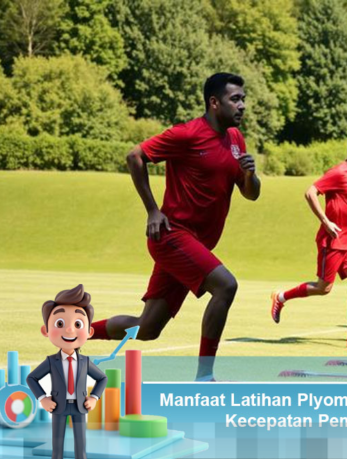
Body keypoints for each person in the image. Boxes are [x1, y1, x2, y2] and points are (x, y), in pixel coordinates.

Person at [89, 73, 261, 381]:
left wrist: (250, 175)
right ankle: (204, 378)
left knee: (147, 328)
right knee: (226, 285)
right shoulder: (187, 134)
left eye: (243, 99)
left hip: (195, 245)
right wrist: (152, 210)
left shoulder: (235, 139)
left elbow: (251, 194)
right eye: (235, 99)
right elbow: (135, 156)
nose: (242, 105)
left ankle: (77, 333)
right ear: (214, 102)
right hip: (171, 235)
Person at [270, 131, 347, 348]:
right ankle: (281, 297)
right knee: (323, 288)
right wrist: (325, 221)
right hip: (332, 242)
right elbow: (310, 193)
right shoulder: (339, 172)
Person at [27, 284, 108, 459]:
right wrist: (43, 398)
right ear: (46, 330)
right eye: (60, 324)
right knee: (57, 437)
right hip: (58, 405)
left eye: (78, 324)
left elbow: (102, 378)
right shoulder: (51, 361)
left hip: (80, 405)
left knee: (81, 437)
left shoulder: (85, 362)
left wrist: (94, 398)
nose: (70, 330)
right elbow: (32, 378)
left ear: (89, 332)